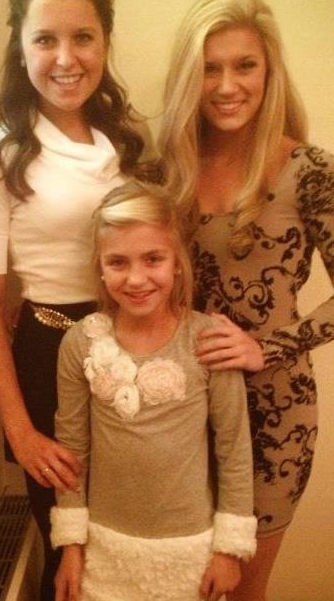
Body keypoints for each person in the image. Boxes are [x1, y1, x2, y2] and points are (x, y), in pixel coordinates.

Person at [158, 0, 334, 600]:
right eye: (210, 68)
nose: (227, 85)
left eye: (244, 65)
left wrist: (266, 347)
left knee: (243, 591)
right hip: (179, 405)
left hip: (274, 415)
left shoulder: (310, 169)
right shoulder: (167, 170)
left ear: (269, 71)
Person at [0, 0, 157, 599]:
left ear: (105, 44)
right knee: (72, 555)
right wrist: (19, 431)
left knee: (137, 543)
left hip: (140, 347)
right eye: (45, 39)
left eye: (82, 38)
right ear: (20, 49)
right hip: (51, 359)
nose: (66, 59)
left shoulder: (128, 145)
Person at [50, 182, 257, 601]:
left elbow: (234, 448)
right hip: (104, 549)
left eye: (153, 259)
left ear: (177, 262)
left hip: (190, 550)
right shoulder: (80, 343)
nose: (136, 278)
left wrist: (228, 550)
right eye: (118, 262)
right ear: (100, 267)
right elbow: (72, 449)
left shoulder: (208, 340)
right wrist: (71, 545)